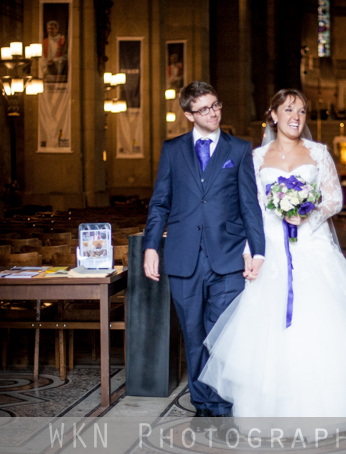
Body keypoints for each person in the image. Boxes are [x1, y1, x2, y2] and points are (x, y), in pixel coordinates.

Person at [199, 88, 346, 423]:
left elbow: (334, 199)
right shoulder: (256, 158)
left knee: (321, 322)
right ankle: (271, 411)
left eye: (303, 111)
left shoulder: (319, 153)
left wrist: (306, 211)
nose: (296, 117)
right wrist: (251, 252)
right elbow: (253, 210)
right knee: (269, 331)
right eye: (289, 110)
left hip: (312, 246)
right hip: (272, 250)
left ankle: (329, 408)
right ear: (273, 115)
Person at [143, 81, 265, 436]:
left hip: (227, 258)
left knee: (223, 334)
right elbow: (160, 202)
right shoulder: (172, 150)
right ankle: (203, 403)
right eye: (204, 109)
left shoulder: (239, 149)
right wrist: (152, 245)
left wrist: (258, 251)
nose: (213, 113)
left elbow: (249, 205)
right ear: (188, 115)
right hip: (182, 258)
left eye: (216, 105)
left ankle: (223, 404)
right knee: (194, 335)